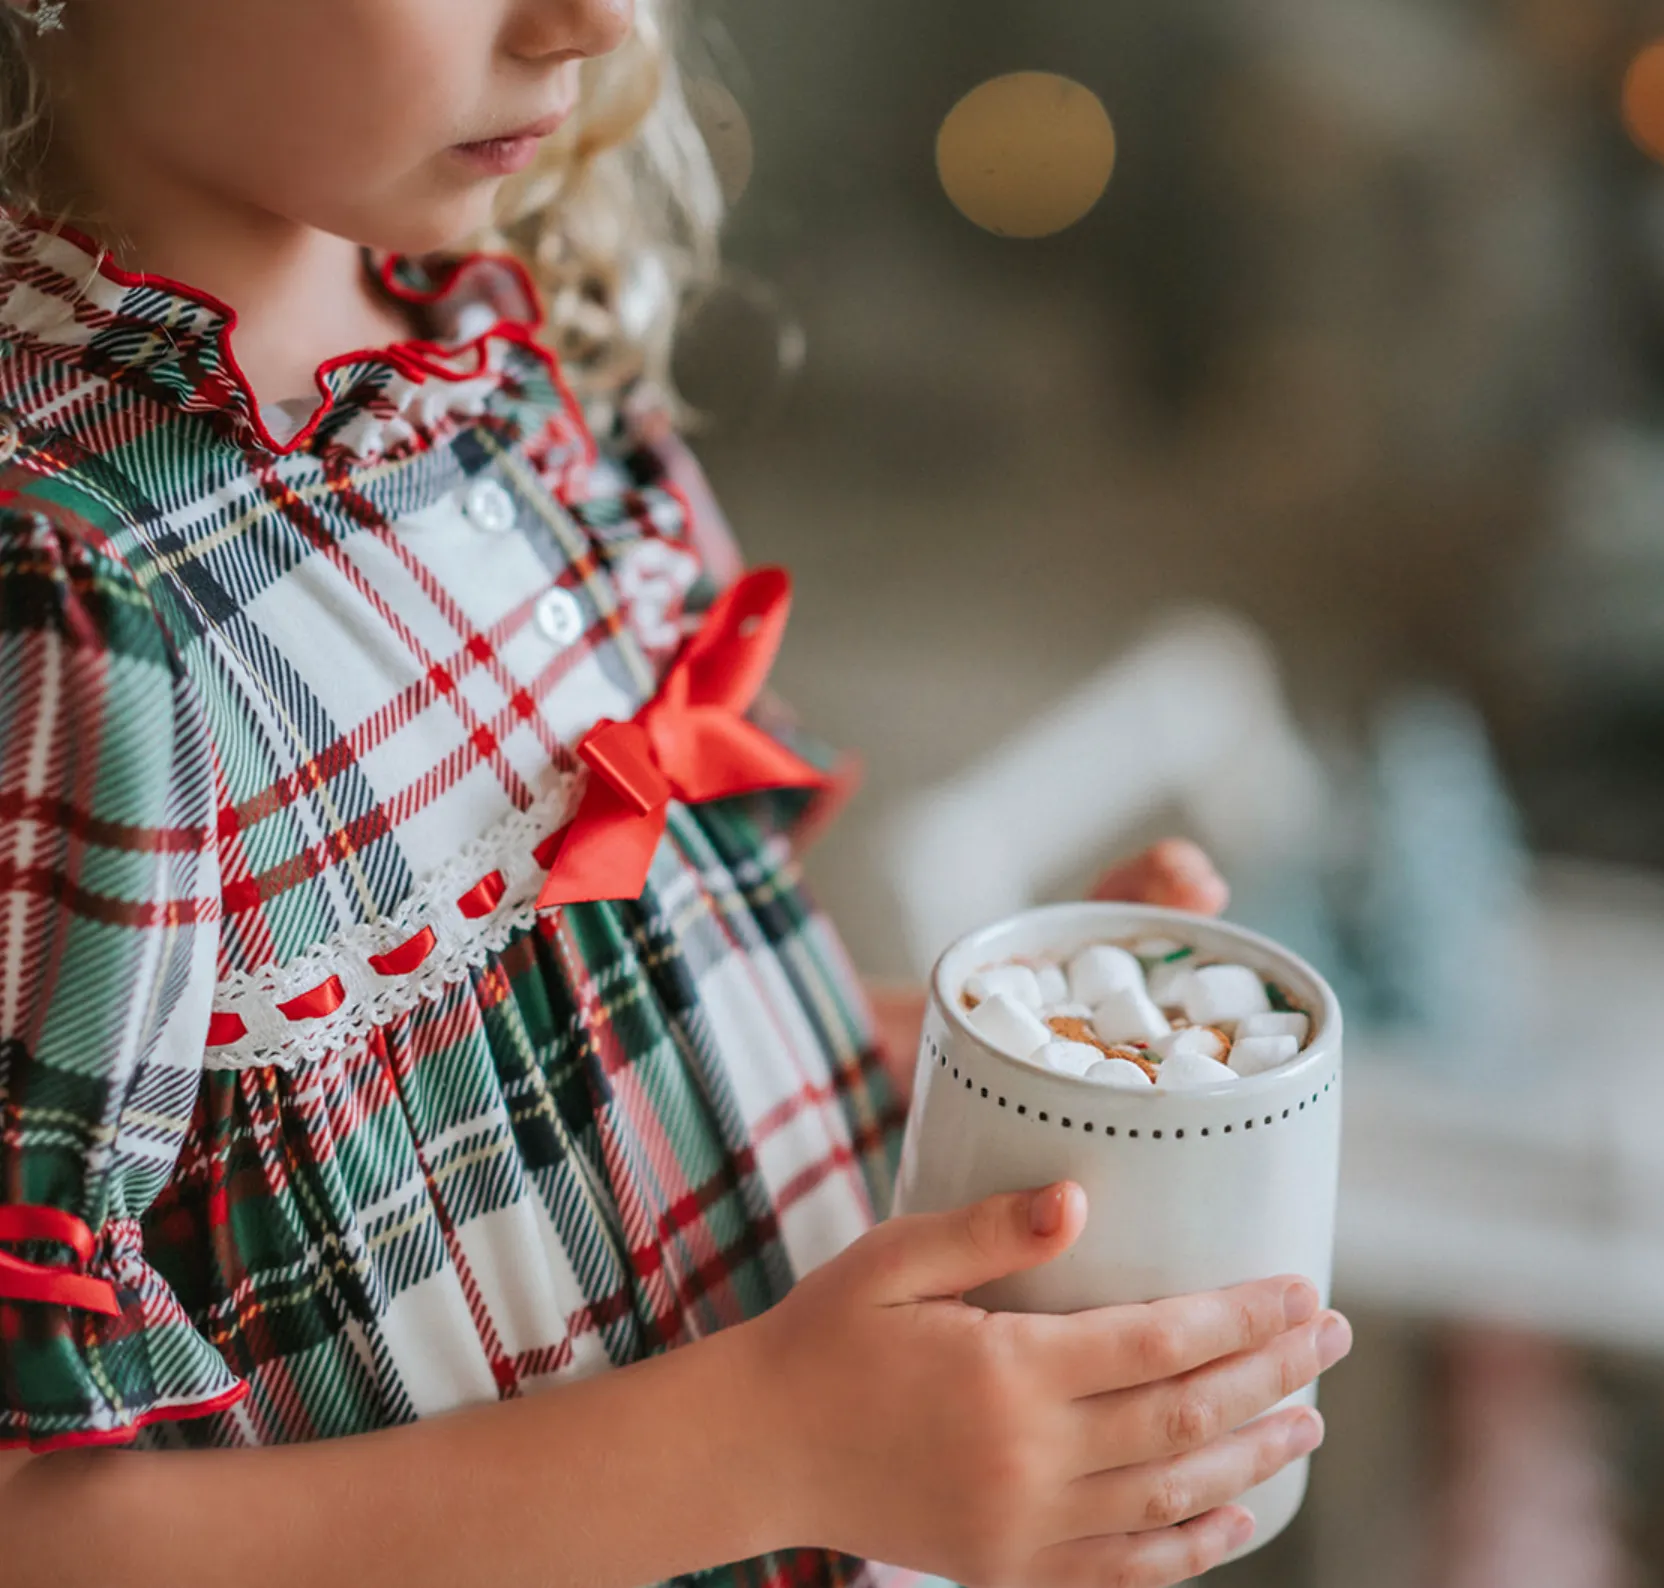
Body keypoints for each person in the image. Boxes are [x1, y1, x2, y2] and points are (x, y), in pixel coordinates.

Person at [0, 2, 1350, 1584]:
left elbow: (486, 1049)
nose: (586, 22)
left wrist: (908, 1058)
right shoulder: (68, 595)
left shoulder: (495, 378)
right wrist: (768, 1451)